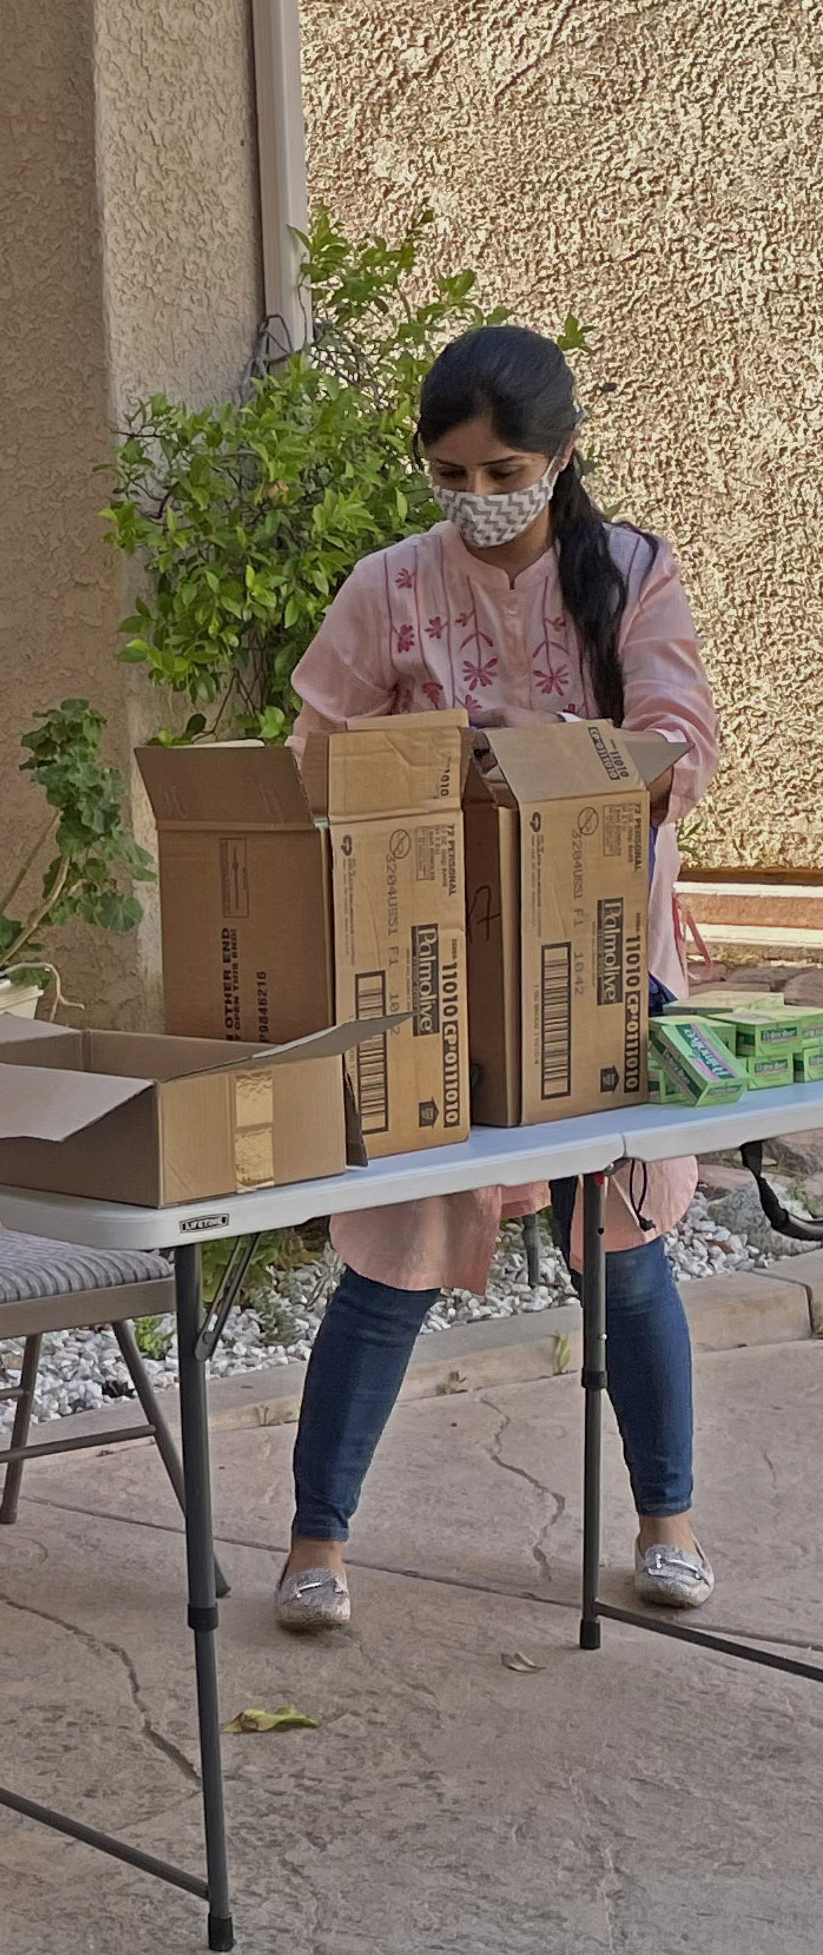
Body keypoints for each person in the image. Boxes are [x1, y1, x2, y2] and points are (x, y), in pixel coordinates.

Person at [272, 323, 721, 1634]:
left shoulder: (629, 571)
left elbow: (676, 751)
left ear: (560, 454)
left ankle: (666, 1518)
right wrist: (422, 761)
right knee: (393, 1245)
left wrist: (541, 754)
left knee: (621, 1236)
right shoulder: (389, 586)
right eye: (450, 473)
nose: (476, 499)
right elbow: (316, 756)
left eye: (501, 469)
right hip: (433, 965)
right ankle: (315, 1539)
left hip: (596, 963)